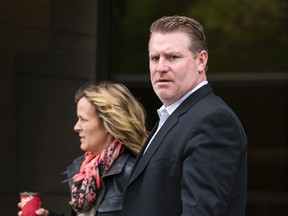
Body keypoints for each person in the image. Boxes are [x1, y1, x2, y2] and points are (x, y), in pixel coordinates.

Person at [122, 15, 247, 216]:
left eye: (173, 57)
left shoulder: (212, 121)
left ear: (201, 61)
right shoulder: (173, 116)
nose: (161, 67)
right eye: (155, 58)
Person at [18, 81, 148, 216]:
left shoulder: (132, 172)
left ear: (108, 123)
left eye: (83, 119)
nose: (76, 127)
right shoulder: (82, 171)